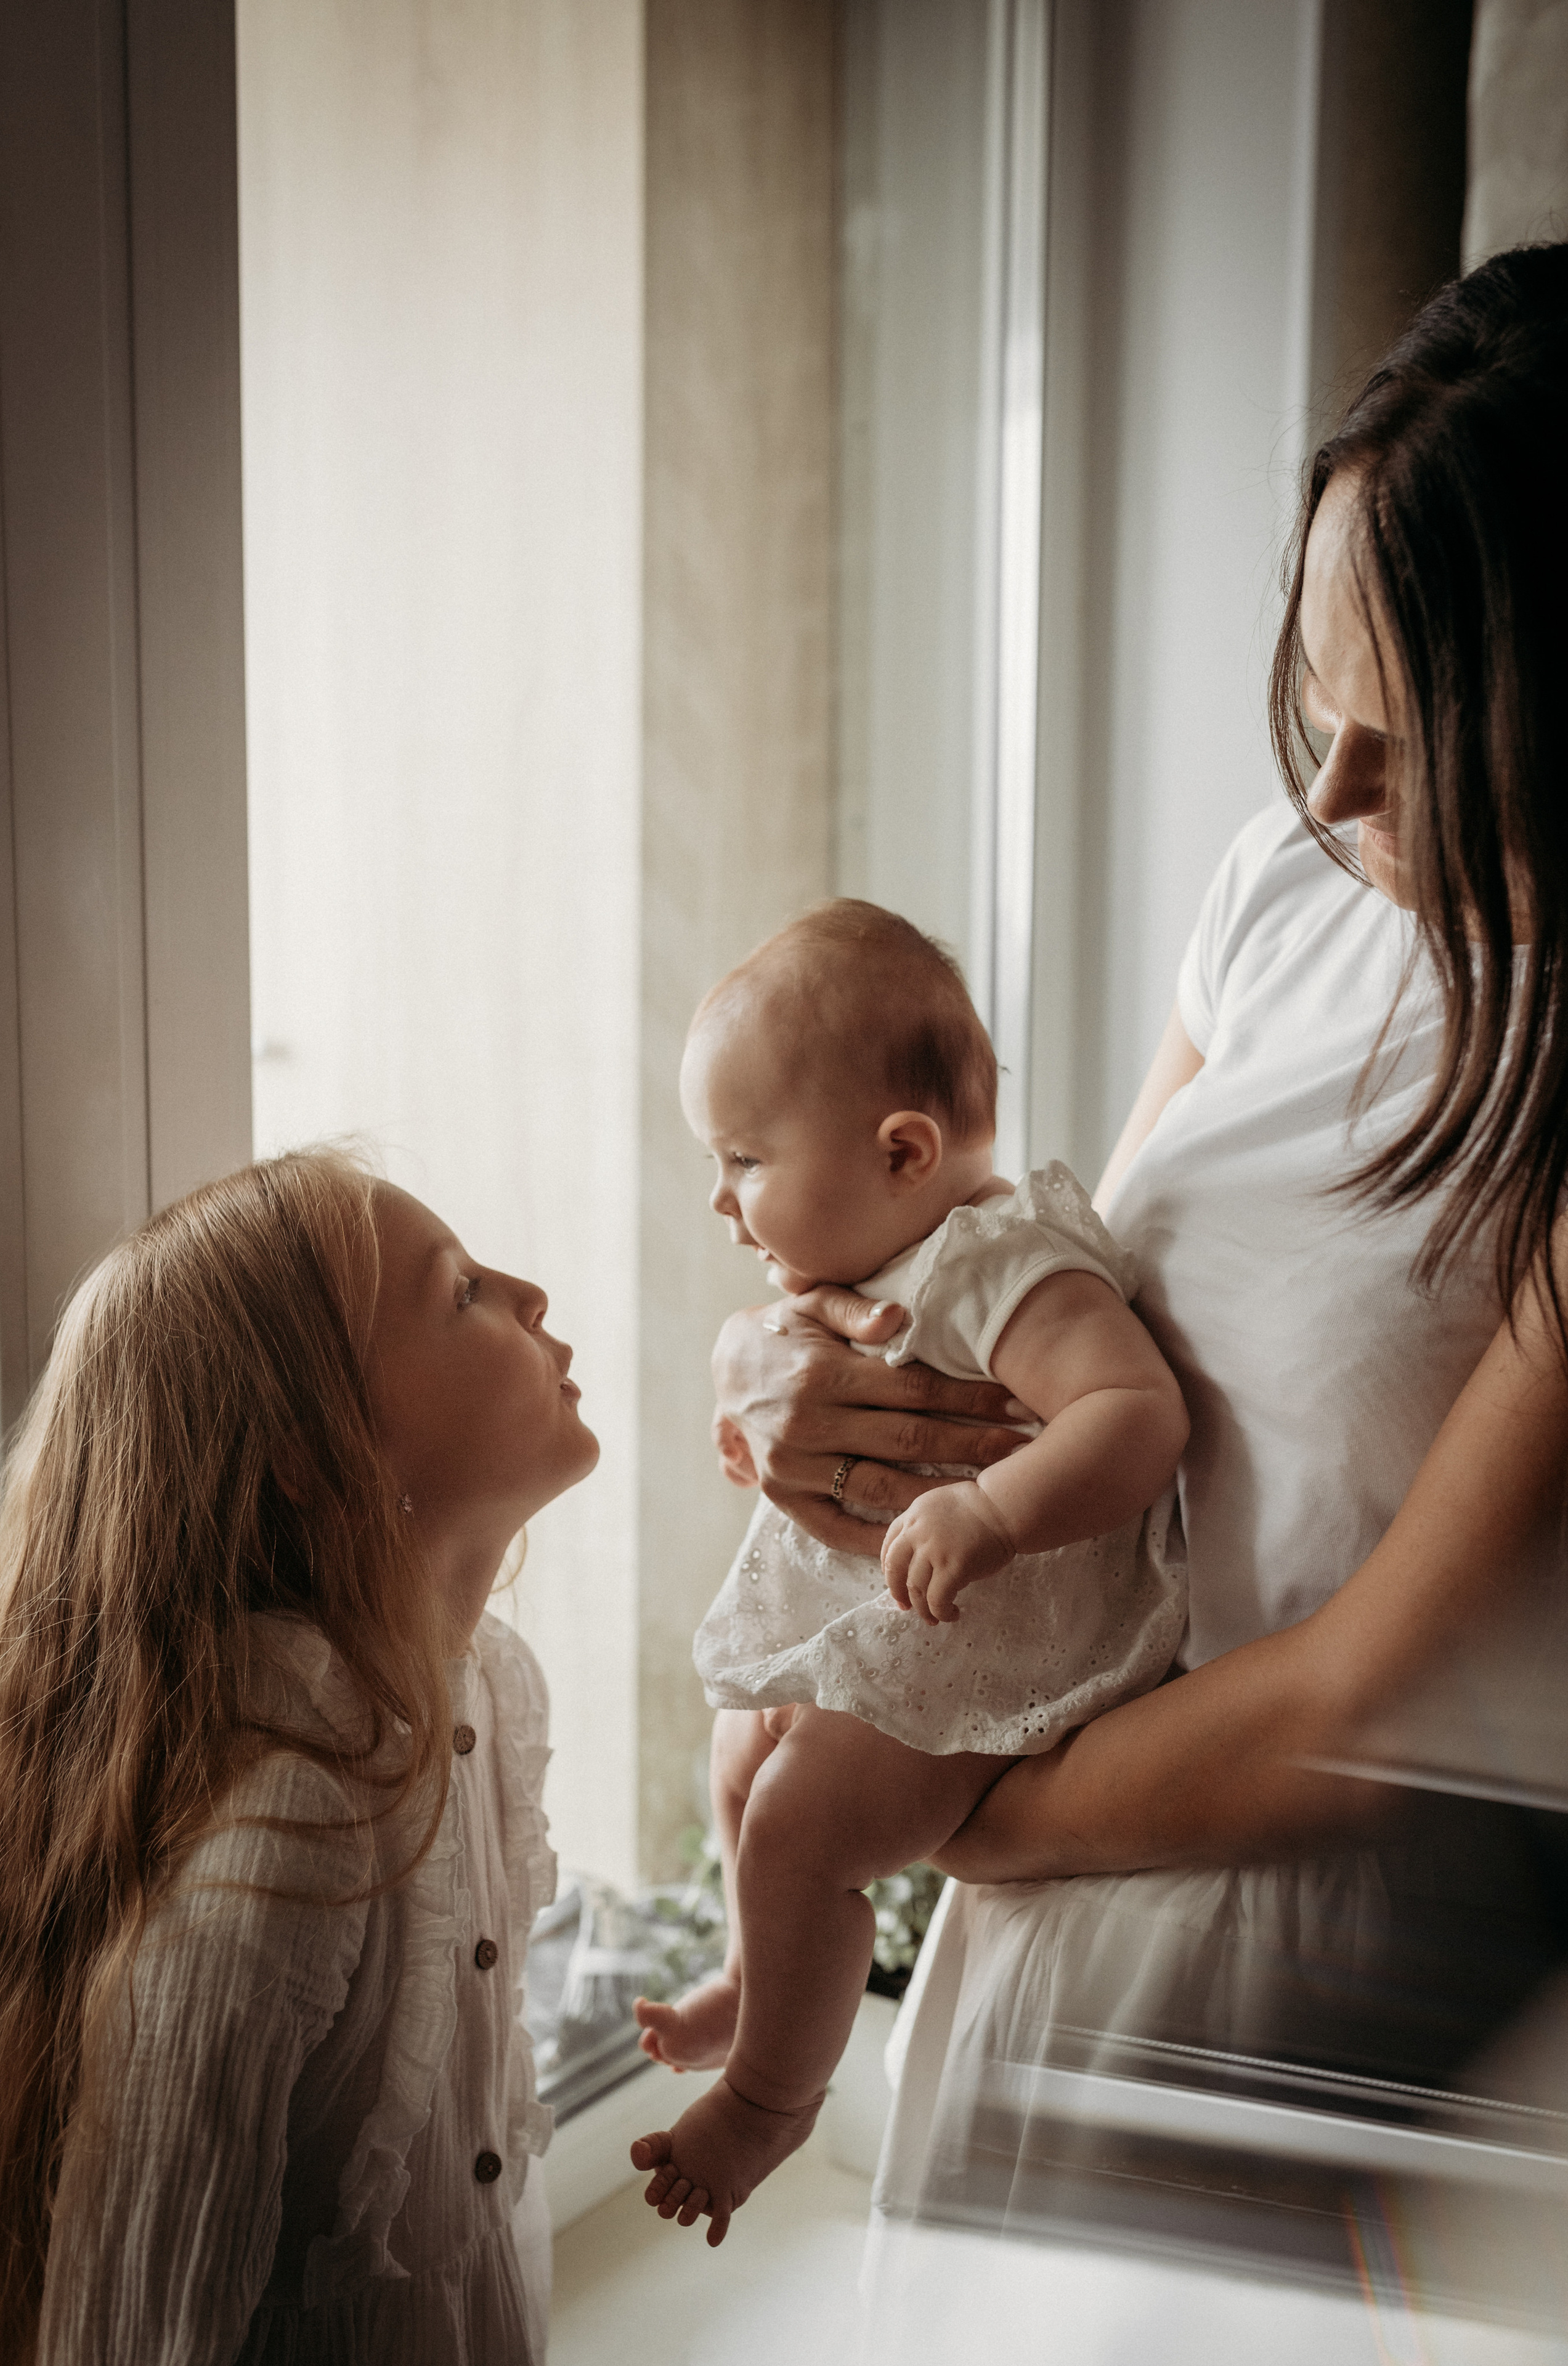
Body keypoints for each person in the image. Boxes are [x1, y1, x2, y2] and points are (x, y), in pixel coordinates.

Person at [702, 240, 1568, 2245]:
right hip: (1052, 1849)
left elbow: (1362, 1713)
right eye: (1316, 701)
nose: (1323, 791)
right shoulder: (1293, 881)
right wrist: (801, 1367)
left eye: (1406, 737)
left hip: (1297, 1955)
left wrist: (946, 1802)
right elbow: (1059, 1300)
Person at [628, 904, 1188, 2245]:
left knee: (802, 1824)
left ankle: (772, 2094)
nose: (719, 1200)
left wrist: (992, 1512)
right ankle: (755, 1967)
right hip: (892, 1615)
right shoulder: (869, 1264)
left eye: (744, 1158)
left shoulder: (1003, 1264)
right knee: (733, 1752)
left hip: (996, 1637)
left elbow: (1135, 1416)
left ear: (901, 1150)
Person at [0, 1150, 598, 2365]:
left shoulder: (480, 1690)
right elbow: (134, 2328)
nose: (530, 1294)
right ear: (316, 1457)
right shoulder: (291, 1827)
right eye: (462, 1293)